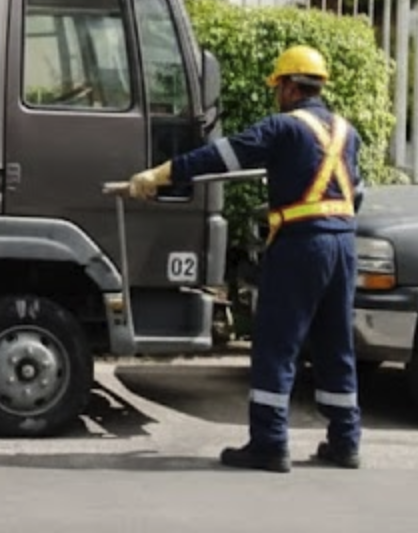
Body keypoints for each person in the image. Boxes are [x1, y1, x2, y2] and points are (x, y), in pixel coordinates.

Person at [127, 45, 361, 473]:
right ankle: (346, 440)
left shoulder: (283, 128)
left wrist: (161, 174)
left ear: (290, 87)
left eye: (278, 87)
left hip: (301, 244)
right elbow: (355, 193)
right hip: (343, 245)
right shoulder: (348, 133)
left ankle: (270, 443)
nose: (277, 95)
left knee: (276, 343)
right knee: (335, 343)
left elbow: (221, 156)